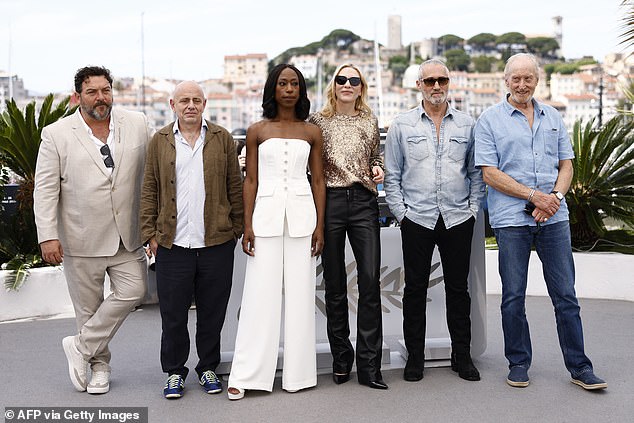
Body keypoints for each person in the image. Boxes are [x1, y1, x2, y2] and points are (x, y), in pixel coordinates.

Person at [474, 53, 607, 390]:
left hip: (554, 218)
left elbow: (567, 165)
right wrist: (535, 197)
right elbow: (489, 173)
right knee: (513, 296)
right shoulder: (489, 120)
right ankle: (518, 363)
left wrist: (555, 200)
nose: (522, 84)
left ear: (537, 80)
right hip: (511, 221)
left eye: (528, 78)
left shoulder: (553, 117)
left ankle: (580, 368)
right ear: (505, 81)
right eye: (516, 78)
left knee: (565, 295)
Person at [33, 66, 153, 394]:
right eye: (92, 92)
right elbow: (44, 189)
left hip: (127, 235)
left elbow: (155, 169)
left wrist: (153, 225)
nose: (100, 97)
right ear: (78, 96)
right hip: (79, 237)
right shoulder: (56, 133)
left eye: (105, 90)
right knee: (87, 309)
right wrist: (47, 234)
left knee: (134, 290)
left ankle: (80, 346)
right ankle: (99, 368)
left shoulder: (138, 123)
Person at [140, 81, 244, 399]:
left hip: (215, 242)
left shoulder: (221, 138)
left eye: (196, 100)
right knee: (173, 313)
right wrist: (149, 233)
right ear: (173, 104)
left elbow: (234, 186)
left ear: (204, 104)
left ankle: (208, 367)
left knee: (212, 311)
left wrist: (237, 228)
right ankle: (174, 371)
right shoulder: (159, 141)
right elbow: (149, 188)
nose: (190, 105)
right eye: (184, 100)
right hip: (173, 243)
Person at [227, 64, 325, 400]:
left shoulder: (312, 132)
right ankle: (247, 374)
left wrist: (320, 227)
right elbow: (250, 180)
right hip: (265, 219)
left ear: (301, 90)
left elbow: (318, 180)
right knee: (258, 298)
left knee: (300, 299)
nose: (288, 89)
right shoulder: (256, 130)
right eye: (282, 83)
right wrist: (247, 224)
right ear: (273, 88)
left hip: (303, 219)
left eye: (294, 83)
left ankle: (298, 375)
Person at [384, 59, 484, 382]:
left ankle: (463, 356)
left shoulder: (468, 125)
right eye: (430, 81)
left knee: (459, 290)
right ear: (419, 85)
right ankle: (415, 358)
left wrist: (472, 210)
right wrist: (402, 214)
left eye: (442, 80)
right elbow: (392, 176)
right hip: (417, 219)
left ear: (449, 82)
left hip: (457, 218)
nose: (436, 86)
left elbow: (475, 173)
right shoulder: (402, 125)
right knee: (414, 290)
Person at [308, 64, 387, 390]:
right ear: (334, 85)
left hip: (364, 202)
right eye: (342, 79)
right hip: (330, 204)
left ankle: (370, 367)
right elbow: (308, 165)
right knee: (336, 285)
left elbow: (375, 157)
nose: (347, 84)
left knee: (370, 282)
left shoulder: (369, 121)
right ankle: (342, 360)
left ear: (361, 87)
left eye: (354, 80)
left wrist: (378, 168)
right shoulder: (318, 121)